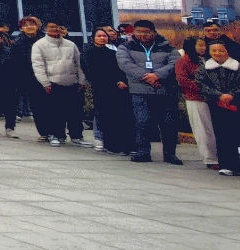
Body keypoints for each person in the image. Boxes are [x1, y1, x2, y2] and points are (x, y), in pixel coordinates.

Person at [197, 38, 240, 179]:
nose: (218, 53)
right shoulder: (204, 70)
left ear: (227, 51)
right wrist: (219, 95)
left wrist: (231, 95)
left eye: (221, 50)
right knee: (224, 136)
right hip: (218, 105)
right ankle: (229, 166)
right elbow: (201, 85)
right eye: (214, 50)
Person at [114, 20, 181, 165]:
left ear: (154, 33)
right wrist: (148, 78)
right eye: (139, 32)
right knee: (142, 121)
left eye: (146, 32)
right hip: (139, 90)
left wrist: (157, 76)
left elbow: (175, 63)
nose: (142, 35)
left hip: (164, 90)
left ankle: (170, 154)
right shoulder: (125, 47)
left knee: (168, 123)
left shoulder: (167, 47)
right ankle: (143, 152)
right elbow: (125, 64)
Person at [31, 22, 86, 146]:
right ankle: (56, 135)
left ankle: (77, 136)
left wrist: (81, 80)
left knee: (75, 112)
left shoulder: (71, 44)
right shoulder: (39, 45)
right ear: (46, 29)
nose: (56, 29)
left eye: (59, 27)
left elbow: (79, 64)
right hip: (53, 83)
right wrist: (45, 83)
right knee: (54, 112)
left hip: (72, 83)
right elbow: (38, 66)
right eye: (52, 27)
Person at [81, 27, 132, 155]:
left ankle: (123, 145)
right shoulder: (88, 53)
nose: (102, 38)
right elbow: (91, 72)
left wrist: (121, 81)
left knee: (118, 117)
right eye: (99, 36)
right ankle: (110, 145)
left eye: (104, 36)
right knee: (105, 117)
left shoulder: (112, 53)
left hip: (116, 89)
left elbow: (118, 70)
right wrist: (113, 82)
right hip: (101, 88)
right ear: (93, 38)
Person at [173, 37, 217, 168]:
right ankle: (210, 159)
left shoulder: (208, 60)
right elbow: (182, 80)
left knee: (213, 129)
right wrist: (203, 88)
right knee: (203, 129)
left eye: (204, 45)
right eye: (200, 45)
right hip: (195, 98)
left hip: (213, 98)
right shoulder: (183, 61)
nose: (203, 48)